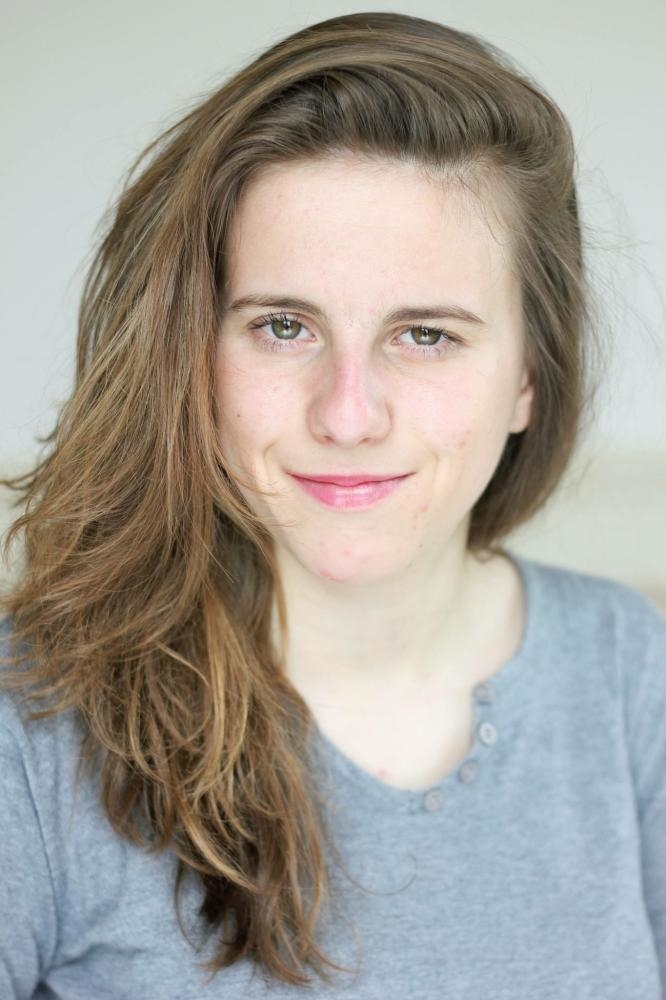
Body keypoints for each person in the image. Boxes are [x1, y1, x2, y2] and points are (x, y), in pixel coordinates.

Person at [0, 11, 664, 999]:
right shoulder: (32, 731)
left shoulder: (630, 672)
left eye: (426, 335)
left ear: (529, 375)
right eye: (283, 326)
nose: (347, 415)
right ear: (192, 356)